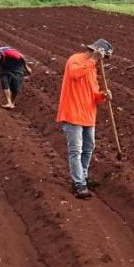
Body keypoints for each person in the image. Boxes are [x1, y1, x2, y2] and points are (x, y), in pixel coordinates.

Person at [55, 39, 113, 199]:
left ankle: (84, 176)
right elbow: (75, 74)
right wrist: (94, 59)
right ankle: (78, 184)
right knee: (76, 150)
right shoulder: (75, 60)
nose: (103, 61)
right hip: (73, 114)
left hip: (88, 115)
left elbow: (93, 93)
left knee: (89, 147)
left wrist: (103, 96)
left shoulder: (93, 68)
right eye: (104, 57)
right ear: (97, 52)